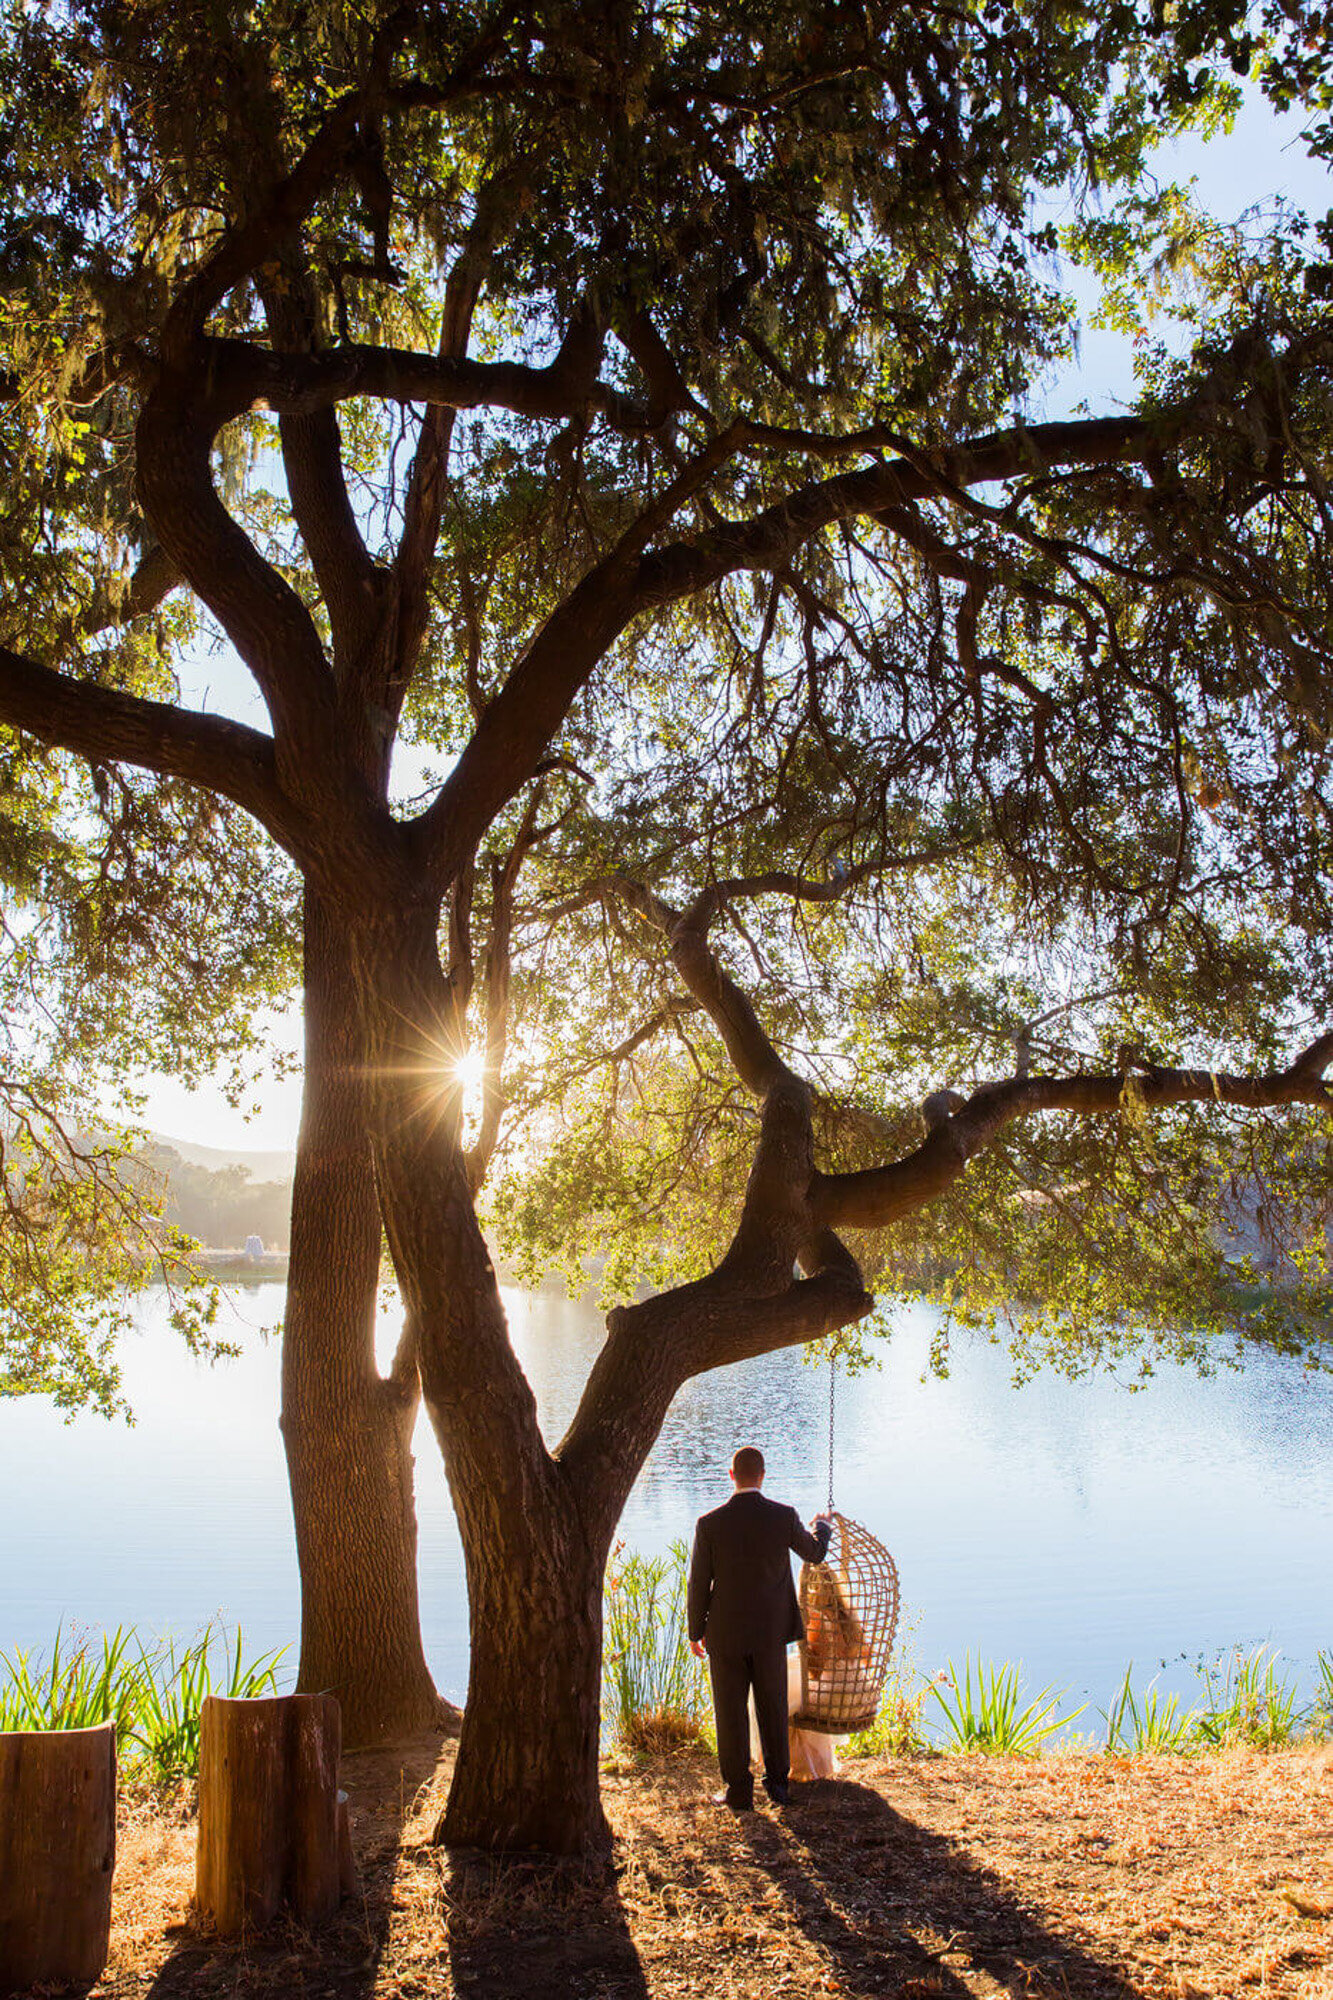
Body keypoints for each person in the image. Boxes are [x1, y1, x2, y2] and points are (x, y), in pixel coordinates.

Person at [687, 1445, 833, 1809]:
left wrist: (695, 1631)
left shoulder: (710, 1523)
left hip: (724, 1633)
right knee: (772, 1706)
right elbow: (814, 1554)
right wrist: (823, 1527)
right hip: (770, 1633)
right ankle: (778, 1786)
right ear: (762, 1476)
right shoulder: (782, 1517)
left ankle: (738, 1791)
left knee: (730, 1711)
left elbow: (698, 1582)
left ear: (731, 1476)